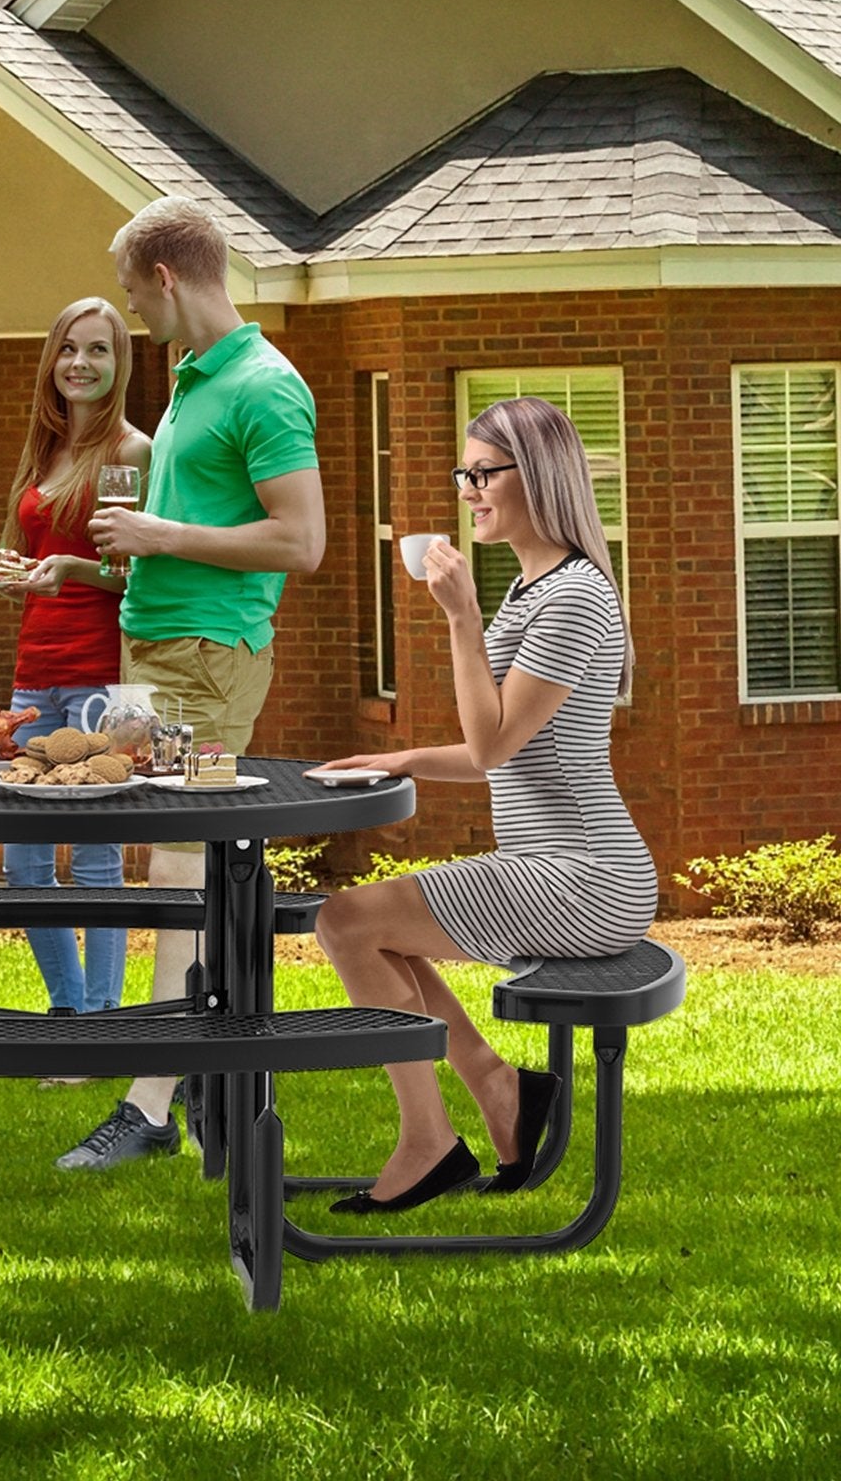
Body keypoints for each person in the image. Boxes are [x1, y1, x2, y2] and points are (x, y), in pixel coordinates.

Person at [311, 396, 657, 1213]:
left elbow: (495, 743)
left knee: (346, 921)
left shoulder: (572, 597)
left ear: (535, 475)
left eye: (482, 472)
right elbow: (492, 748)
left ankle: (431, 1142)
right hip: (552, 867)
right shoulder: (538, 587)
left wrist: (462, 619)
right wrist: (399, 758)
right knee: (373, 931)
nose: (468, 489)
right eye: (464, 473)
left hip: (586, 877)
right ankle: (495, 1086)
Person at [56, 195, 325, 1170]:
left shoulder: (262, 385)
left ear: (166, 278)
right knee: (177, 864)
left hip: (206, 659)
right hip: (154, 654)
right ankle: (211, 1074)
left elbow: (302, 540)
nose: (132, 313)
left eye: (134, 292)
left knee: (177, 866)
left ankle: (152, 1100)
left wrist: (161, 536)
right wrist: (99, 567)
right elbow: (179, 530)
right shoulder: (192, 380)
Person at [0, 298, 151, 1015]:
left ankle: (99, 1021)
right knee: (24, 856)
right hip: (36, 671)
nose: (81, 364)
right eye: (69, 349)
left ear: (119, 364)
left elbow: (138, 571)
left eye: (98, 350)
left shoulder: (131, 452)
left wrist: (74, 567)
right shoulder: (47, 450)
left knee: (97, 856)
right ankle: (68, 1009)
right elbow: (35, 572)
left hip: (107, 679)